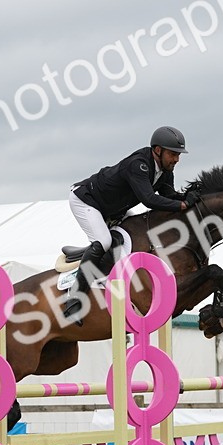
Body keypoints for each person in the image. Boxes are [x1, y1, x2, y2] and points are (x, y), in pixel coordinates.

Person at [61, 126, 192, 321]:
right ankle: (75, 299)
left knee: (133, 233)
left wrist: (190, 197)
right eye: (173, 154)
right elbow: (149, 200)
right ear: (158, 150)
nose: (176, 159)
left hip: (113, 209)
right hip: (86, 200)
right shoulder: (138, 165)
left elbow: (169, 195)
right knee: (104, 241)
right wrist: (182, 205)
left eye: (178, 155)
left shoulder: (165, 171)